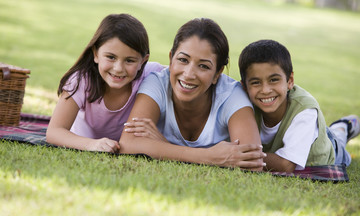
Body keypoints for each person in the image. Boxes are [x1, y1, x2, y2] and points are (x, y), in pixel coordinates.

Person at [119, 18, 265, 170]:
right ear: (171, 60)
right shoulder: (158, 83)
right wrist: (209, 157)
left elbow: (253, 163)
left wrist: (162, 146)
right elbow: (128, 144)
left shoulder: (232, 96)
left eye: (203, 66)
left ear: (217, 73)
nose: (189, 74)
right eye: (183, 60)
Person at [46, 13, 164, 153]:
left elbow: (182, 74)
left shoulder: (153, 74)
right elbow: (54, 131)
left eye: (129, 60)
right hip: (84, 140)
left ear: (143, 61)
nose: (118, 68)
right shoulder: (81, 80)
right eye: (111, 57)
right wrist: (92, 144)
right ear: (96, 54)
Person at [238, 39, 360, 172]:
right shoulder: (242, 105)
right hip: (304, 134)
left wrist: (237, 156)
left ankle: (343, 127)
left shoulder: (305, 110)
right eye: (256, 82)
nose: (266, 90)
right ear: (244, 86)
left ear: (290, 81)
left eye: (274, 80)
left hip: (328, 152)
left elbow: (286, 165)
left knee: (337, 141)